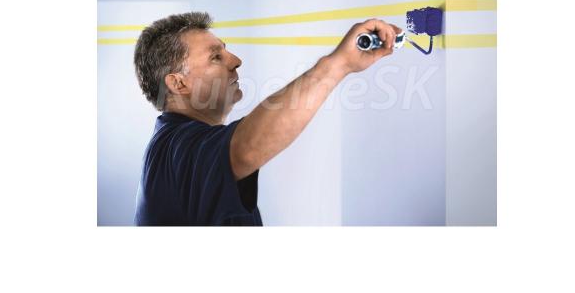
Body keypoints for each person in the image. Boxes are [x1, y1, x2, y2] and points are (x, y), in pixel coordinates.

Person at [133, 12, 402, 226]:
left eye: (226, 51)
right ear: (178, 83)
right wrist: (339, 63)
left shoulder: (173, 146)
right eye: (216, 57)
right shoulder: (178, 147)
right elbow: (247, 149)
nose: (236, 61)